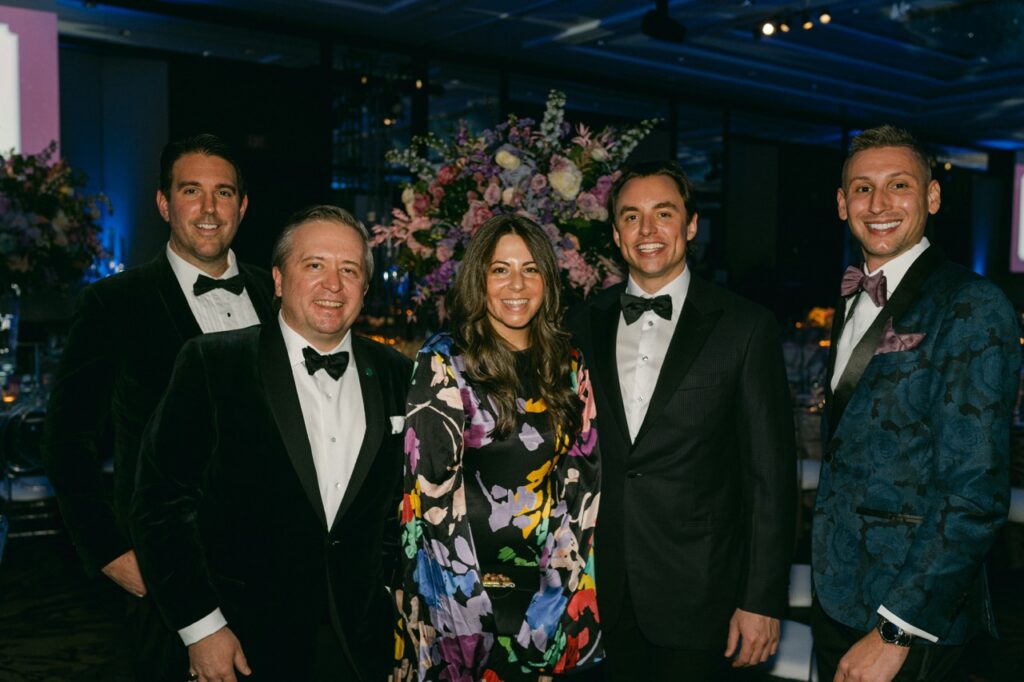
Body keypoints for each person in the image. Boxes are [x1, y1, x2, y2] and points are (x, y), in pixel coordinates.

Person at [131, 205, 412, 681]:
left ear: (365, 288)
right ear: (279, 280)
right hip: (243, 639)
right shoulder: (213, 364)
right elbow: (160, 505)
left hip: (361, 642)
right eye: (314, 265)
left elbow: (399, 508)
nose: (333, 284)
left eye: (349, 270)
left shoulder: (398, 374)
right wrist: (201, 628)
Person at [41, 133, 275, 678]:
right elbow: (66, 440)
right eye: (191, 191)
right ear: (164, 204)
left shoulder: (278, 294)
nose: (209, 209)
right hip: (170, 573)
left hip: (276, 570)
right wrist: (109, 553)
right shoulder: (114, 304)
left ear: (242, 206)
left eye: (223, 193)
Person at [567, 160, 795, 680]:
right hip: (598, 593)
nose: (647, 230)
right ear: (616, 234)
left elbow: (770, 479)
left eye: (663, 213)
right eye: (631, 217)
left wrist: (761, 599)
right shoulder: (578, 323)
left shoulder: (745, 327)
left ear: (691, 226)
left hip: (704, 597)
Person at [812, 125, 1020, 681]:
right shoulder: (850, 295)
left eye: (898, 185)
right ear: (842, 204)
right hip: (838, 595)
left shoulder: (972, 305)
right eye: (862, 188)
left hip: (912, 618)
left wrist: (896, 630)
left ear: (932, 196)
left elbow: (976, 493)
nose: (879, 204)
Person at [393, 215, 601, 681]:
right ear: (479, 280)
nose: (517, 285)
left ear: (548, 281)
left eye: (531, 269)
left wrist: (548, 610)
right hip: (455, 610)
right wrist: (470, 625)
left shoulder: (569, 365)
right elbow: (428, 502)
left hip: (547, 607)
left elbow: (582, 492)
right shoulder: (444, 361)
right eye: (500, 269)